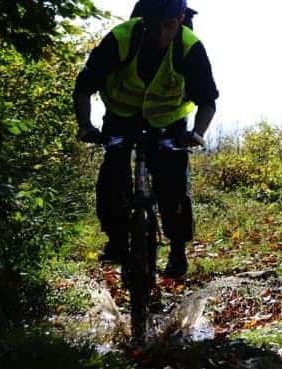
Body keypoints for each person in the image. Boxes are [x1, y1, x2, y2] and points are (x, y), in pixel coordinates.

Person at [73, 0, 218, 278]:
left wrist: (196, 134)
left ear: (180, 20)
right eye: (153, 26)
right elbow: (84, 85)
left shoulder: (190, 48)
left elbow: (208, 100)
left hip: (168, 122)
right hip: (121, 117)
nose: (159, 35)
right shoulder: (121, 39)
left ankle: (177, 252)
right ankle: (116, 241)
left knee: (173, 184)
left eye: (168, 26)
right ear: (143, 20)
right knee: (112, 177)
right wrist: (85, 126)